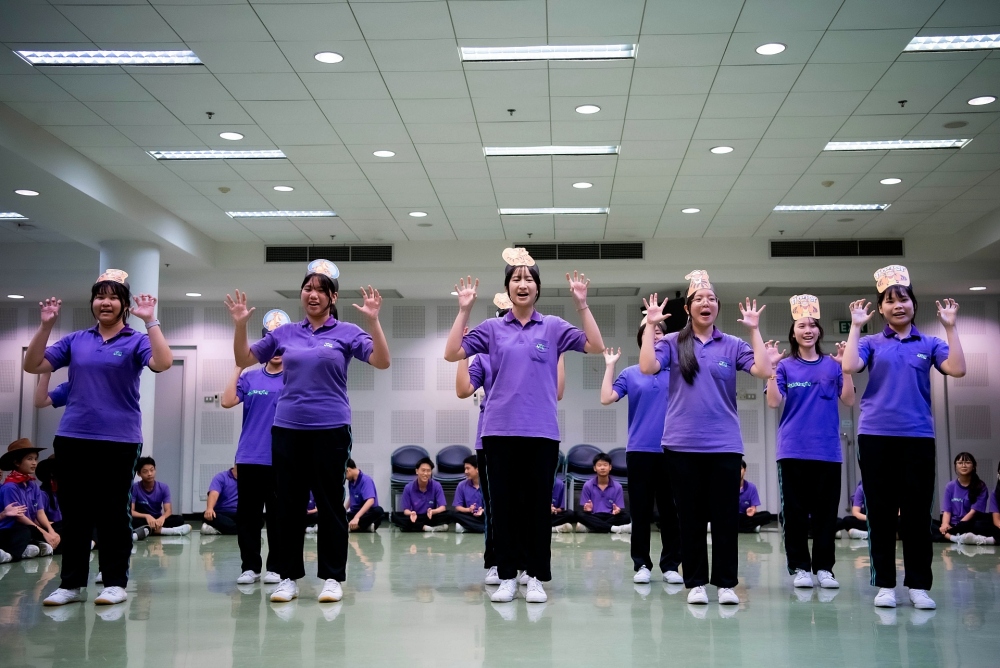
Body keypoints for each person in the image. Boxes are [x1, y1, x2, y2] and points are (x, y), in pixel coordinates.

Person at [444, 247, 604, 604]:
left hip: (541, 433)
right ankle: (506, 576)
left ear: (537, 288)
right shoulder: (491, 329)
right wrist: (464, 309)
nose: (522, 284)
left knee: (536, 508)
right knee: (503, 509)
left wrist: (582, 304)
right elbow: (452, 353)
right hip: (498, 433)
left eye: (529, 279)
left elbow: (595, 345)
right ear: (508, 287)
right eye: (516, 279)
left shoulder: (553, 327)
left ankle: (535, 576)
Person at [226, 259, 390, 604]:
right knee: (288, 505)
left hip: (331, 429)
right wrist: (240, 325)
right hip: (287, 429)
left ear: (333, 297)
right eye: (307, 288)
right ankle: (287, 577)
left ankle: (332, 577)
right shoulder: (285, 333)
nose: (312, 295)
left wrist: (373, 321)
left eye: (320, 290)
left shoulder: (346, 332)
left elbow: (381, 360)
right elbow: (244, 357)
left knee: (330, 504)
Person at [24, 268, 173, 606]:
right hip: (73, 437)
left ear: (124, 305)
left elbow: (163, 363)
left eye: (113, 298)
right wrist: (46, 327)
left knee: (112, 512)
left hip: (119, 441)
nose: (105, 303)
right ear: (92, 302)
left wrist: (150, 321)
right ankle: (71, 584)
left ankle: (115, 582)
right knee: (75, 512)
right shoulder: (76, 340)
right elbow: (33, 365)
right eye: (100, 297)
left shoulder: (135, 341)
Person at [641, 270, 771, 606]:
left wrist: (754, 330)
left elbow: (763, 370)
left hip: (724, 444)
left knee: (726, 517)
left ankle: (726, 584)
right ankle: (696, 582)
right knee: (690, 517)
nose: (706, 303)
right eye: (699, 299)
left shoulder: (733, 344)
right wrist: (651, 327)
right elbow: (647, 367)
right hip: (681, 444)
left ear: (717, 307)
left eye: (711, 299)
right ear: (688, 308)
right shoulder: (673, 342)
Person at [842, 264, 966, 610]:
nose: (898, 306)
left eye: (904, 299)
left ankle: (918, 585)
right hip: (875, 436)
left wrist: (951, 327)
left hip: (917, 437)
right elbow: (849, 366)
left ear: (913, 304)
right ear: (881, 309)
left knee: (916, 513)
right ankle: (884, 584)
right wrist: (855, 327)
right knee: (880, 513)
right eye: (890, 301)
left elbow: (957, 369)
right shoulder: (870, 342)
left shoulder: (930, 343)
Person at [764, 294, 855, 589]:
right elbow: (773, 402)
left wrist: (846, 369)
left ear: (819, 331)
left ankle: (824, 569)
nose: (807, 330)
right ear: (793, 332)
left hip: (827, 450)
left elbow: (849, 400)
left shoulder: (833, 365)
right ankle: (801, 568)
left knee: (826, 515)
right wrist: (771, 370)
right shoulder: (785, 367)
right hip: (792, 450)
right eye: (801, 325)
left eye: (812, 325)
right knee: (795, 514)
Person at [600, 319, 682, 586]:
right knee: (641, 512)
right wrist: (610, 366)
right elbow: (606, 398)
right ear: (641, 339)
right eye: (649, 332)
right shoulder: (631, 373)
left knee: (671, 512)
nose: (655, 335)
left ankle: (671, 565)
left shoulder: (678, 372)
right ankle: (642, 564)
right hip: (639, 450)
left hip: (672, 449)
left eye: (659, 332)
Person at [220, 309, 289, 585]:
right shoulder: (250, 378)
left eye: (281, 345)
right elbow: (226, 401)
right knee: (248, 516)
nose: (276, 351)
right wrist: (240, 364)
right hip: (250, 456)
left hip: (282, 458)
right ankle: (250, 566)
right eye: (271, 344)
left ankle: (276, 566)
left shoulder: (293, 377)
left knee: (278, 516)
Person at [0, 439, 60, 561]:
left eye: (35, 459)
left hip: (30, 527)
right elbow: (19, 517)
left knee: (62, 527)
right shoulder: (10, 487)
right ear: (17, 462)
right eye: (29, 459)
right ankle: (12, 555)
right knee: (25, 532)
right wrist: (44, 533)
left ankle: (37, 546)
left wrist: (51, 531)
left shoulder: (33, 485)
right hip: (12, 529)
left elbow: (40, 512)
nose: (34, 463)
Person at [937, 452, 994, 545]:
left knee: (982, 525)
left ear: (974, 466)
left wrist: (958, 526)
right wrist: (945, 525)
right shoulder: (950, 486)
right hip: (952, 523)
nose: (963, 465)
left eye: (967, 462)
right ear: (955, 466)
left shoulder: (980, 486)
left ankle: (950, 537)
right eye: (960, 463)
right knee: (931, 526)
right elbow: (947, 511)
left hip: (970, 523)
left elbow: (973, 512)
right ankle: (956, 538)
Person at [131, 457, 192, 536]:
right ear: (139, 473)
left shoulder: (163, 487)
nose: (149, 474)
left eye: (152, 470)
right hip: (142, 519)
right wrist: (147, 516)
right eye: (145, 471)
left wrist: (162, 518)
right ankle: (168, 531)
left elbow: (168, 510)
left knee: (179, 519)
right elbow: (131, 511)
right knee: (130, 521)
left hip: (157, 519)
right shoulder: (134, 488)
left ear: (155, 470)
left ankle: (147, 530)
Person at [575, 453, 632, 534]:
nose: (602, 468)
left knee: (627, 516)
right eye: (599, 465)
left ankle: (591, 528)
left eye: (605, 465)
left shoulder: (618, 486)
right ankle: (614, 528)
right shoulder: (587, 485)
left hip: (610, 516)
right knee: (579, 515)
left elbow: (618, 508)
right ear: (594, 468)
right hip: (594, 515)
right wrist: (587, 509)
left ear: (610, 467)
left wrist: (617, 510)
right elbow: (585, 509)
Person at [391, 458, 450, 532]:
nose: (425, 473)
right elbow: (406, 510)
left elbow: (442, 507)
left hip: (430, 516)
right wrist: (411, 513)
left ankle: (417, 527)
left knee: (450, 514)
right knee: (395, 517)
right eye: (423, 470)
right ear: (417, 471)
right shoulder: (408, 487)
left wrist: (433, 511)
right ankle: (427, 528)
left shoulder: (436, 485)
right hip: (416, 517)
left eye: (428, 471)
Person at [345, 459, 383, 532]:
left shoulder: (366, 480)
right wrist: (343, 510)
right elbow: (351, 497)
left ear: (348, 470)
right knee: (340, 518)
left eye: (344, 474)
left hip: (366, 513)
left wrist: (356, 517)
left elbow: (370, 501)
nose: (345, 477)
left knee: (379, 511)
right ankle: (363, 527)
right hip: (354, 513)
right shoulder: (351, 481)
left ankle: (352, 526)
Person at [737, 461, 773, 533]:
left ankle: (741, 528)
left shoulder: (751, 487)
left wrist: (752, 511)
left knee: (767, 515)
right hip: (732, 517)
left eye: (740, 468)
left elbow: (753, 508)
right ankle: (751, 528)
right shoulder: (728, 487)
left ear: (745, 470)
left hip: (746, 517)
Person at [202, 466, 239, 536]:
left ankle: (217, 529)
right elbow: (214, 494)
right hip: (221, 513)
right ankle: (241, 530)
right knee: (209, 517)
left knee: (256, 521)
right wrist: (209, 508)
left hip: (238, 513)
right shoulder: (221, 477)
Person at [453, 455, 485, 534]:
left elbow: (494, 506)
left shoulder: (489, 485)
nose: (465, 472)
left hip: (485, 516)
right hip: (469, 516)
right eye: (465, 469)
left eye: (468, 468)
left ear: (477, 469)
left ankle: (468, 528)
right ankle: (483, 528)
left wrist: (483, 510)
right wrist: (468, 510)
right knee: (452, 514)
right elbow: (458, 507)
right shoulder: (461, 485)